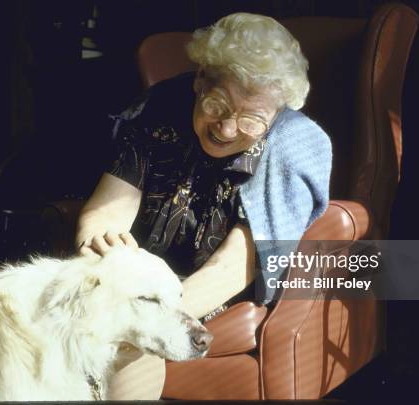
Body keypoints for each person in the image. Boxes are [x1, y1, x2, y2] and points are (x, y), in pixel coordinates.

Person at [76, 12, 332, 400]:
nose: (227, 128)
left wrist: (146, 311)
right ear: (199, 81)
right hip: (134, 275)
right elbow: (106, 212)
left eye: (251, 120)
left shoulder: (294, 144)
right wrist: (107, 271)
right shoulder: (163, 103)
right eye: (217, 104)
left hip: (211, 290)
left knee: (135, 339)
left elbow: (233, 268)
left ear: (277, 113)